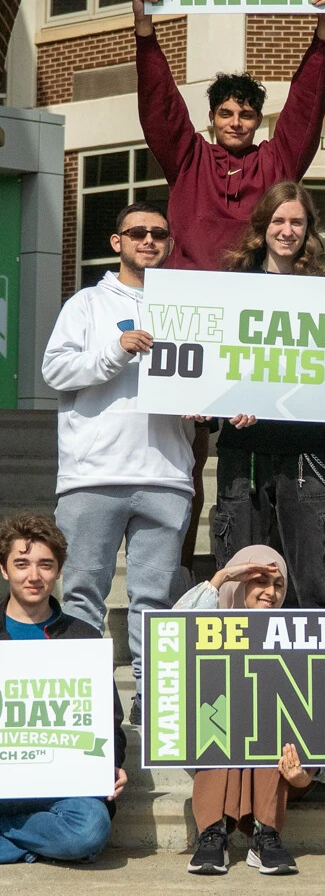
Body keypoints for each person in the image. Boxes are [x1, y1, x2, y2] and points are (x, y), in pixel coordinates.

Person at [41, 201, 194, 724]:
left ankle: (149, 711)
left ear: (170, 243)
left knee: (154, 604)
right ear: (117, 242)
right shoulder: (86, 304)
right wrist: (116, 349)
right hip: (94, 475)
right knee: (83, 597)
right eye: (138, 233)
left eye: (158, 234)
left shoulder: (191, 306)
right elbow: (55, 371)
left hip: (167, 472)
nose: (148, 241)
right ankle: (87, 709)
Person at [132, 0, 325, 272]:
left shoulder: (276, 162)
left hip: (254, 298)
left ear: (257, 121)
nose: (236, 123)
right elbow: (160, 103)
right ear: (211, 118)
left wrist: (324, 32)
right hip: (189, 300)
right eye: (225, 114)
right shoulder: (188, 159)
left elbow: (305, 107)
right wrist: (144, 29)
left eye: (247, 115)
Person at [213, 181, 325, 606]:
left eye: (297, 221)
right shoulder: (230, 286)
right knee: (241, 575)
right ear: (263, 226)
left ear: (308, 229)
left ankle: (322, 666)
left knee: (313, 575)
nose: (287, 230)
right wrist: (221, 404)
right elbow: (217, 363)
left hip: (304, 449)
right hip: (244, 447)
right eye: (278, 220)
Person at [178, 544, 320, 876]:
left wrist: (308, 775)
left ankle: (266, 835)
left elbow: (319, 713)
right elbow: (169, 633)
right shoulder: (209, 628)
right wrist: (223, 576)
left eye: (278, 585)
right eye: (259, 581)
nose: (270, 593)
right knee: (218, 720)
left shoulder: (297, 638)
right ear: (239, 583)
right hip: (218, 760)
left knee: (269, 721)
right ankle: (211, 834)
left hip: (282, 770)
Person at [0, 514, 127, 864]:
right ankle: (38, 841)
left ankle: (9, 838)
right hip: (2, 783)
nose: (34, 576)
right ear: (4, 569)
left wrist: (111, 765)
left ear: (58, 571)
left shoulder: (83, 637)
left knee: (90, 830)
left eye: (45, 564)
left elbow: (109, 722)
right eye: (21, 564)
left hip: (64, 788)